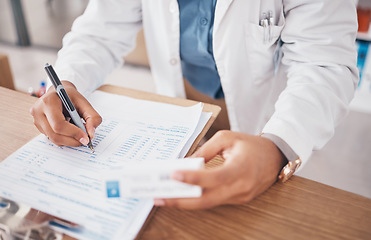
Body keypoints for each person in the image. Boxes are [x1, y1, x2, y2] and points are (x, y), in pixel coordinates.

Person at [30, 0, 358, 209]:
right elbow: (99, 32)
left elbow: (324, 64)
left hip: (270, 110)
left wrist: (277, 146)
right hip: (183, 96)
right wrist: (68, 81)